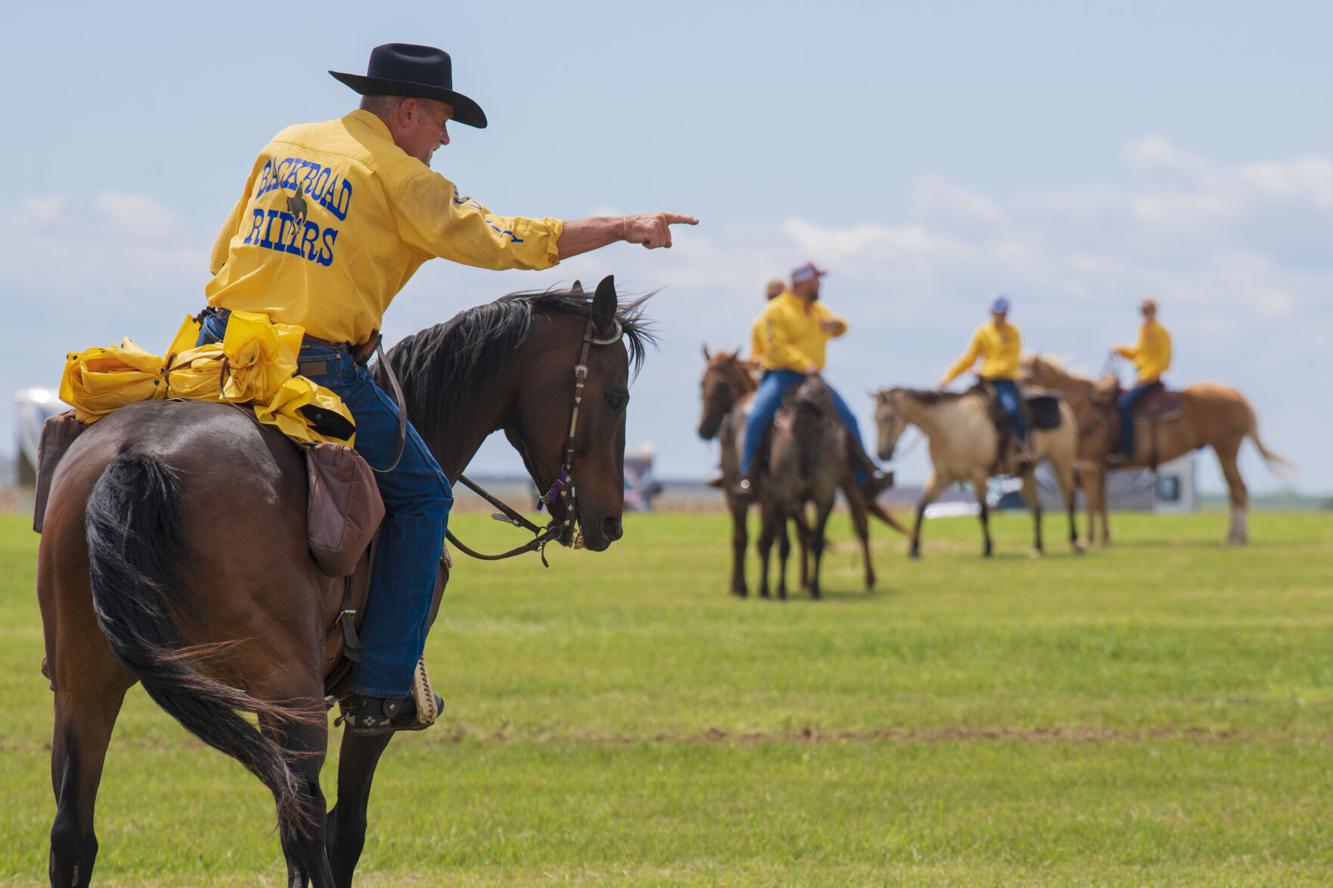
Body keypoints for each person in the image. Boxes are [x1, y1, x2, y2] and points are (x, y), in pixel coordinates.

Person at [200, 43, 697, 734]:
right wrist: (620, 228)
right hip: (311, 364)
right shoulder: (401, 177)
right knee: (427, 493)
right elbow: (507, 241)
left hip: (214, 346)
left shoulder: (287, 142)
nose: (443, 138)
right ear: (405, 111)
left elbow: (225, 252)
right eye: (439, 119)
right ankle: (382, 686)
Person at [734, 262, 891, 500]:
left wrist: (839, 326)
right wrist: (802, 363)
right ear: (802, 282)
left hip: (812, 378)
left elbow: (839, 326)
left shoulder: (818, 310)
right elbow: (775, 348)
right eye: (816, 280)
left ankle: (865, 473)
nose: (819, 284)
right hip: (782, 374)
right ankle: (748, 476)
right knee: (757, 417)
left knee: (848, 416)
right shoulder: (776, 310)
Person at [938, 294, 1030, 465]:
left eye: (1002, 313)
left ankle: (1023, 445)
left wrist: (985, 371)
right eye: (996, 312)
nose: (999, 316)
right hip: (984, 382)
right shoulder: (983, 332)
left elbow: (1011, 362)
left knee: (1011, 409)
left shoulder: (1013, 333)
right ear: (991, 312)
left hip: (1004, 381)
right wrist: (947, 378)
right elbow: (968, 359)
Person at [1109, 297, 1172, 464]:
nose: (1144, 314)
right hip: (1141, 377)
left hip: (1149, 379)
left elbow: (1164, 360)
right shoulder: (1145, 330)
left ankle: (1127, 449)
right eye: (1142, 310)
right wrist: (1121, 350)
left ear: (1154, 311)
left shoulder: (1160, 332)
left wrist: (1145, 377)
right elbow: (1140, 353)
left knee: (1124, 404)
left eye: (1147, 310)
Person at [749, 277, 787, 364]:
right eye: (773, 297)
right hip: (771, 367)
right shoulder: (758, 324)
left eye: (781, 296)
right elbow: (755, 356)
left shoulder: (794, 319)